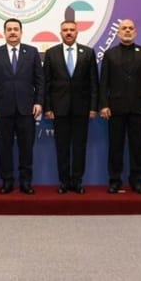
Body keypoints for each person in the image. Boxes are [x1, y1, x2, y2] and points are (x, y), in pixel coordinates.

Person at [0, 18, 44, 195]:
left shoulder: (32, 52)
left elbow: (40, 81)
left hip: (27, 109)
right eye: (9, 29)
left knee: (26, 148)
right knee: (4, 148)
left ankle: (26, 182)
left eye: (15, 29)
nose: (12, 32)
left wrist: (39, 102)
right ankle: (7, 181)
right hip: (2, 109)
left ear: (21, 32)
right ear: (4, 33)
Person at [99, 18, 141, 194]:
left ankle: (136, 180)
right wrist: (104, 105)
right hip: (115, 108)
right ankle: (115, 180)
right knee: (115, 147)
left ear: (135, 32)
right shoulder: (110, 54)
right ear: (118, 32)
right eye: (124, 28)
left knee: (137, 147)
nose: (128, 31)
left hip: (138, 108)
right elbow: (103, 82)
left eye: (131, 28)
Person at [43, 20, 98, 194]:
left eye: (72, 30)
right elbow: (46, 83)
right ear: (60, 33)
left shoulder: (88, 52)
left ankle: (77, 181)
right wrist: (47, 107)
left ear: (77, 32)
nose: (68, 32)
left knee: (79, 147)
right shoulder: (51, 53)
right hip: (59, 109)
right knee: (62, 148)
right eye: (65, 30)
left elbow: (94, 82)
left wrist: (93, 107)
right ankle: (64, 182)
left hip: (82, 109)